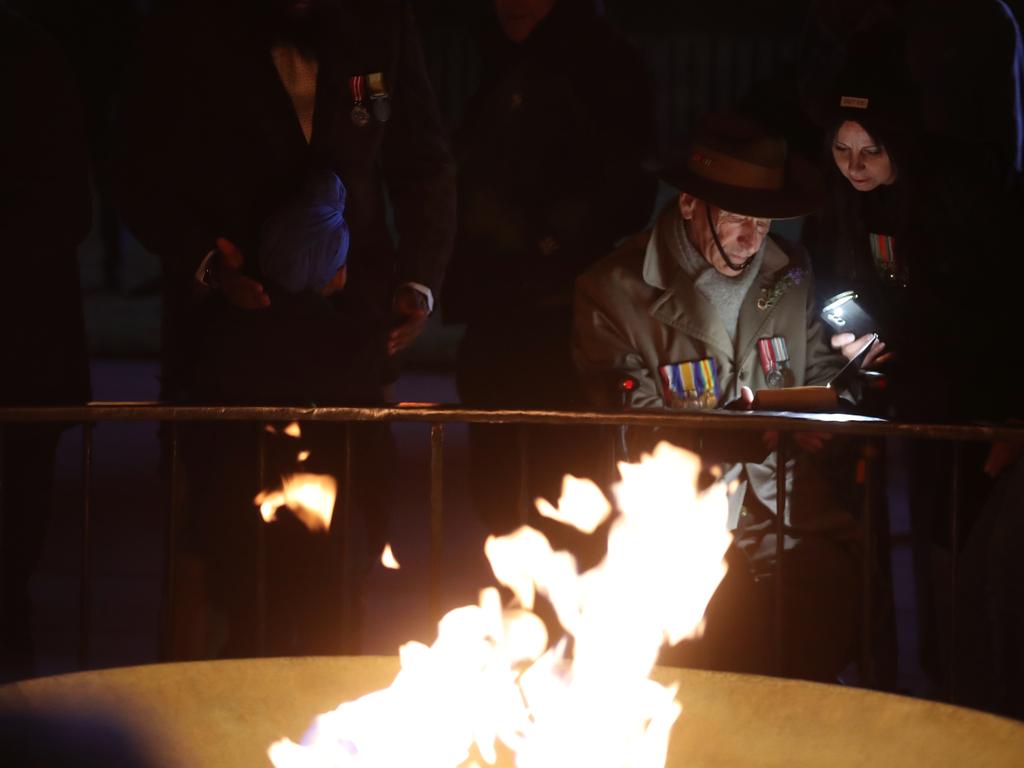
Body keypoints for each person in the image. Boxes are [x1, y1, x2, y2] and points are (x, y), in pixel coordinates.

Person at [113, 0, 455, 658]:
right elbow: (136, 169)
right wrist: (209, 265)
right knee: (235, 563)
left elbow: (423, 162)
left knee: (346, 555)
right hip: (230, 340)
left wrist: (416, 279)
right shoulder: (185, 25)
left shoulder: (378, 22)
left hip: (348, 338)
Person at [572, 114, 862, 682]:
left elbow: (824, 369)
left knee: (820, 637)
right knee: (712, 662)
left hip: (791, 519)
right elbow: (631, 423)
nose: (752, 239)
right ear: (689, 205)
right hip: (675, 530)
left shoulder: (791, 271)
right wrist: (734, 434)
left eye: (764, 221)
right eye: (736, 218)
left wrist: (833, 411)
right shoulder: (614, 290)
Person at [442, 0, 657, 538]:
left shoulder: (604, 63)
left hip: (567, 311)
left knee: (567, 493)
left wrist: (545, 241)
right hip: (498, 310)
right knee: (499, 494)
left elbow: (626, 185)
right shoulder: (488, 55)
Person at [0, 3, 92, 682]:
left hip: (22, 356)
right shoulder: (34, 51)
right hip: (27, 355)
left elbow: (63, 211)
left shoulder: (29, 55)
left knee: (10, 564)